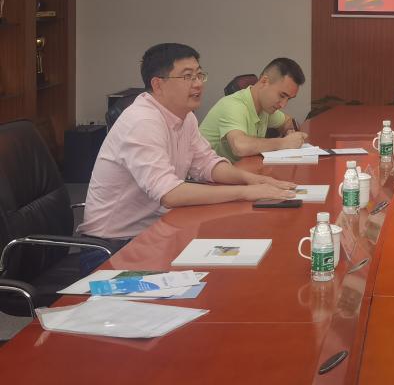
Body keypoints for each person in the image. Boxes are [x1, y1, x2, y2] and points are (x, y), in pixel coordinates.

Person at [79, 43, 296, 269]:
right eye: (187, 77)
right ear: (158, 84)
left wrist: (253, 180)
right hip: (113, 249)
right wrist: (246, 192)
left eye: (199, 75)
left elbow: (207, 164)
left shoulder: (185, 117)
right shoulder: (142, 122)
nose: (198, 83)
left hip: (158, 231)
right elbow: (170, 193)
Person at [200, 57, 307, 162]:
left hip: (235, 168)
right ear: (264, 81)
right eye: (282, 95)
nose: (283, 105)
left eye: (289, 99)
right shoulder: (233, 105)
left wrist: (290, 132)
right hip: (203, 172)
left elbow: (288, 122)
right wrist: (284, 143)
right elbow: (239, 147)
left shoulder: (265, 107)